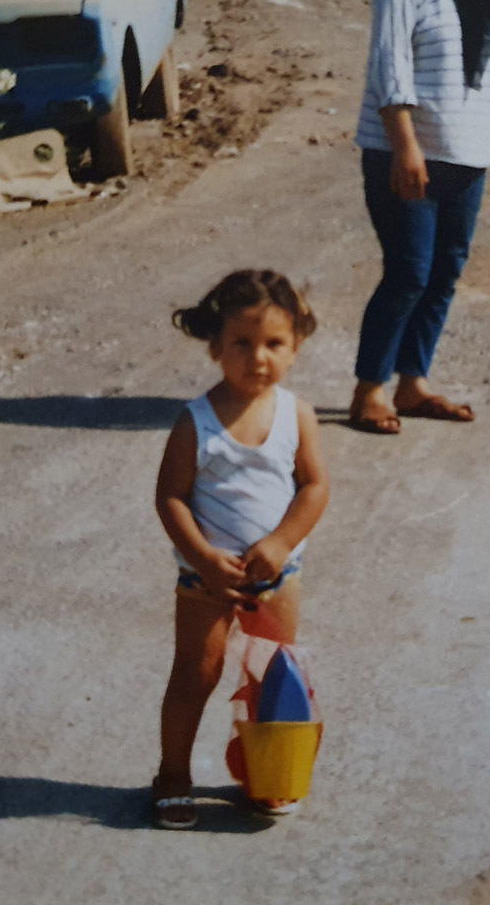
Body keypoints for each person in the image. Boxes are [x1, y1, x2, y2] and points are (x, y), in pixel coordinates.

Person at [348, 0, 490, 435]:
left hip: (467, 153)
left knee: (445, 272)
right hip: (408, 153)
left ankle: (413, 383)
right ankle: (369, 390)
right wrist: (404, 145)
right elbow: (390, 62)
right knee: (408, 273)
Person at [151, 270, 330, 830]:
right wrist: (204, 558)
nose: (258, 358)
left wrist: (281, 542)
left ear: (295, 347)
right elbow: (170, 497)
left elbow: (314, 486)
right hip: (207, 580)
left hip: (278, 575)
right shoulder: (196, 422)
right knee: (196, 675)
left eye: (274, 343)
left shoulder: (297, 415)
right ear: (215, 347)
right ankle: (172, 775)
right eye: (242, 344)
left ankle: (266, 775)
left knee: (273, 678)